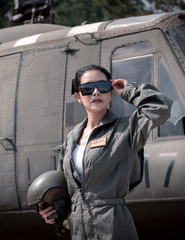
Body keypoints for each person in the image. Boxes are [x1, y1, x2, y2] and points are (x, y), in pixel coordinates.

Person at [39, 64, 172, 239]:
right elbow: (64, 188)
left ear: (110, 92)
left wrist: (128, 90)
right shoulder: (70, 139)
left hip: (113, 226)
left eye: (102, 87)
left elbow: (160, 108)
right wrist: (53, 213)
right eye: (87, 89)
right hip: (79, 229)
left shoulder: (126, 129)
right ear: (78, 96)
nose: (95, 92)